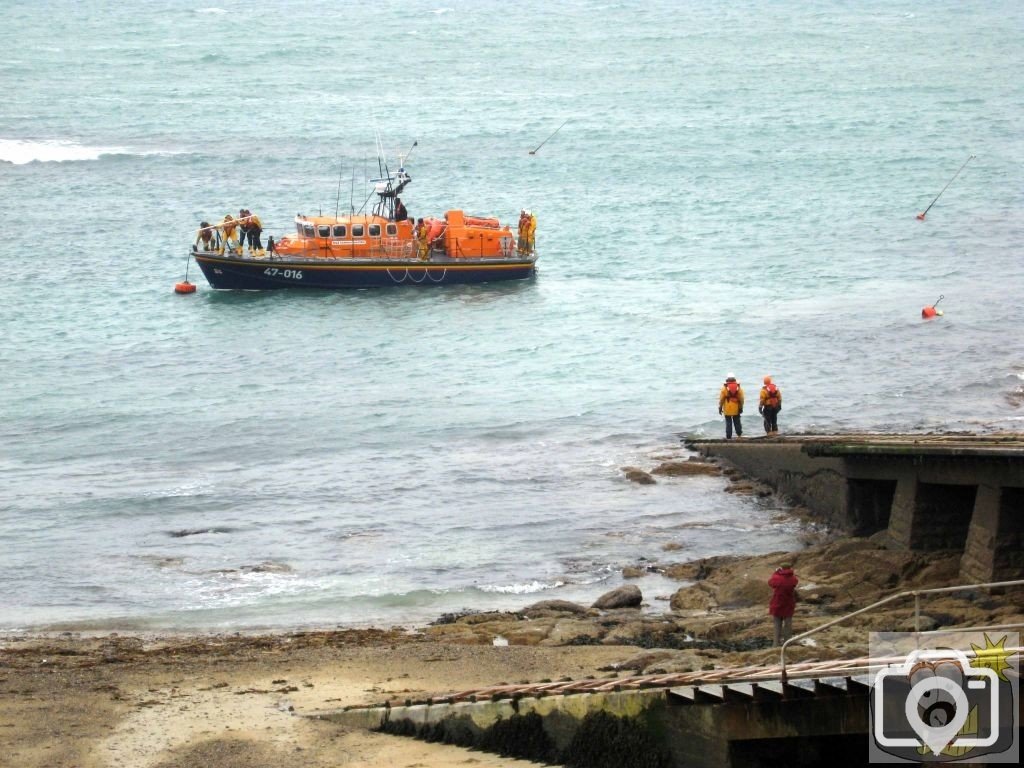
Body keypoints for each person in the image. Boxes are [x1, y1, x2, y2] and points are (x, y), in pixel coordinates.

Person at [768, 562, 799, 646]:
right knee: (788, 625)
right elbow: (795, 582)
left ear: (781, 568)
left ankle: (776, 644)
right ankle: (787, 643)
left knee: (777, 625)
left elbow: (770, 582)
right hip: (788, 604)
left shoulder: (777, 578)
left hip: (777, 603)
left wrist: (776, 572)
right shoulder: (793, 578)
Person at [718, 374, 744, 439]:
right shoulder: (738, 388)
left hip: (727, 409)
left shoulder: (724, 388)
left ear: (727, 379)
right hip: (736, 408)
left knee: (728, 423)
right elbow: (742, 399)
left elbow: (721, 399)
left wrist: (720, 407)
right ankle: (739, 435)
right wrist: (741, 407)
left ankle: (729, 437)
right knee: (737, 422)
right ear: (734, 379)